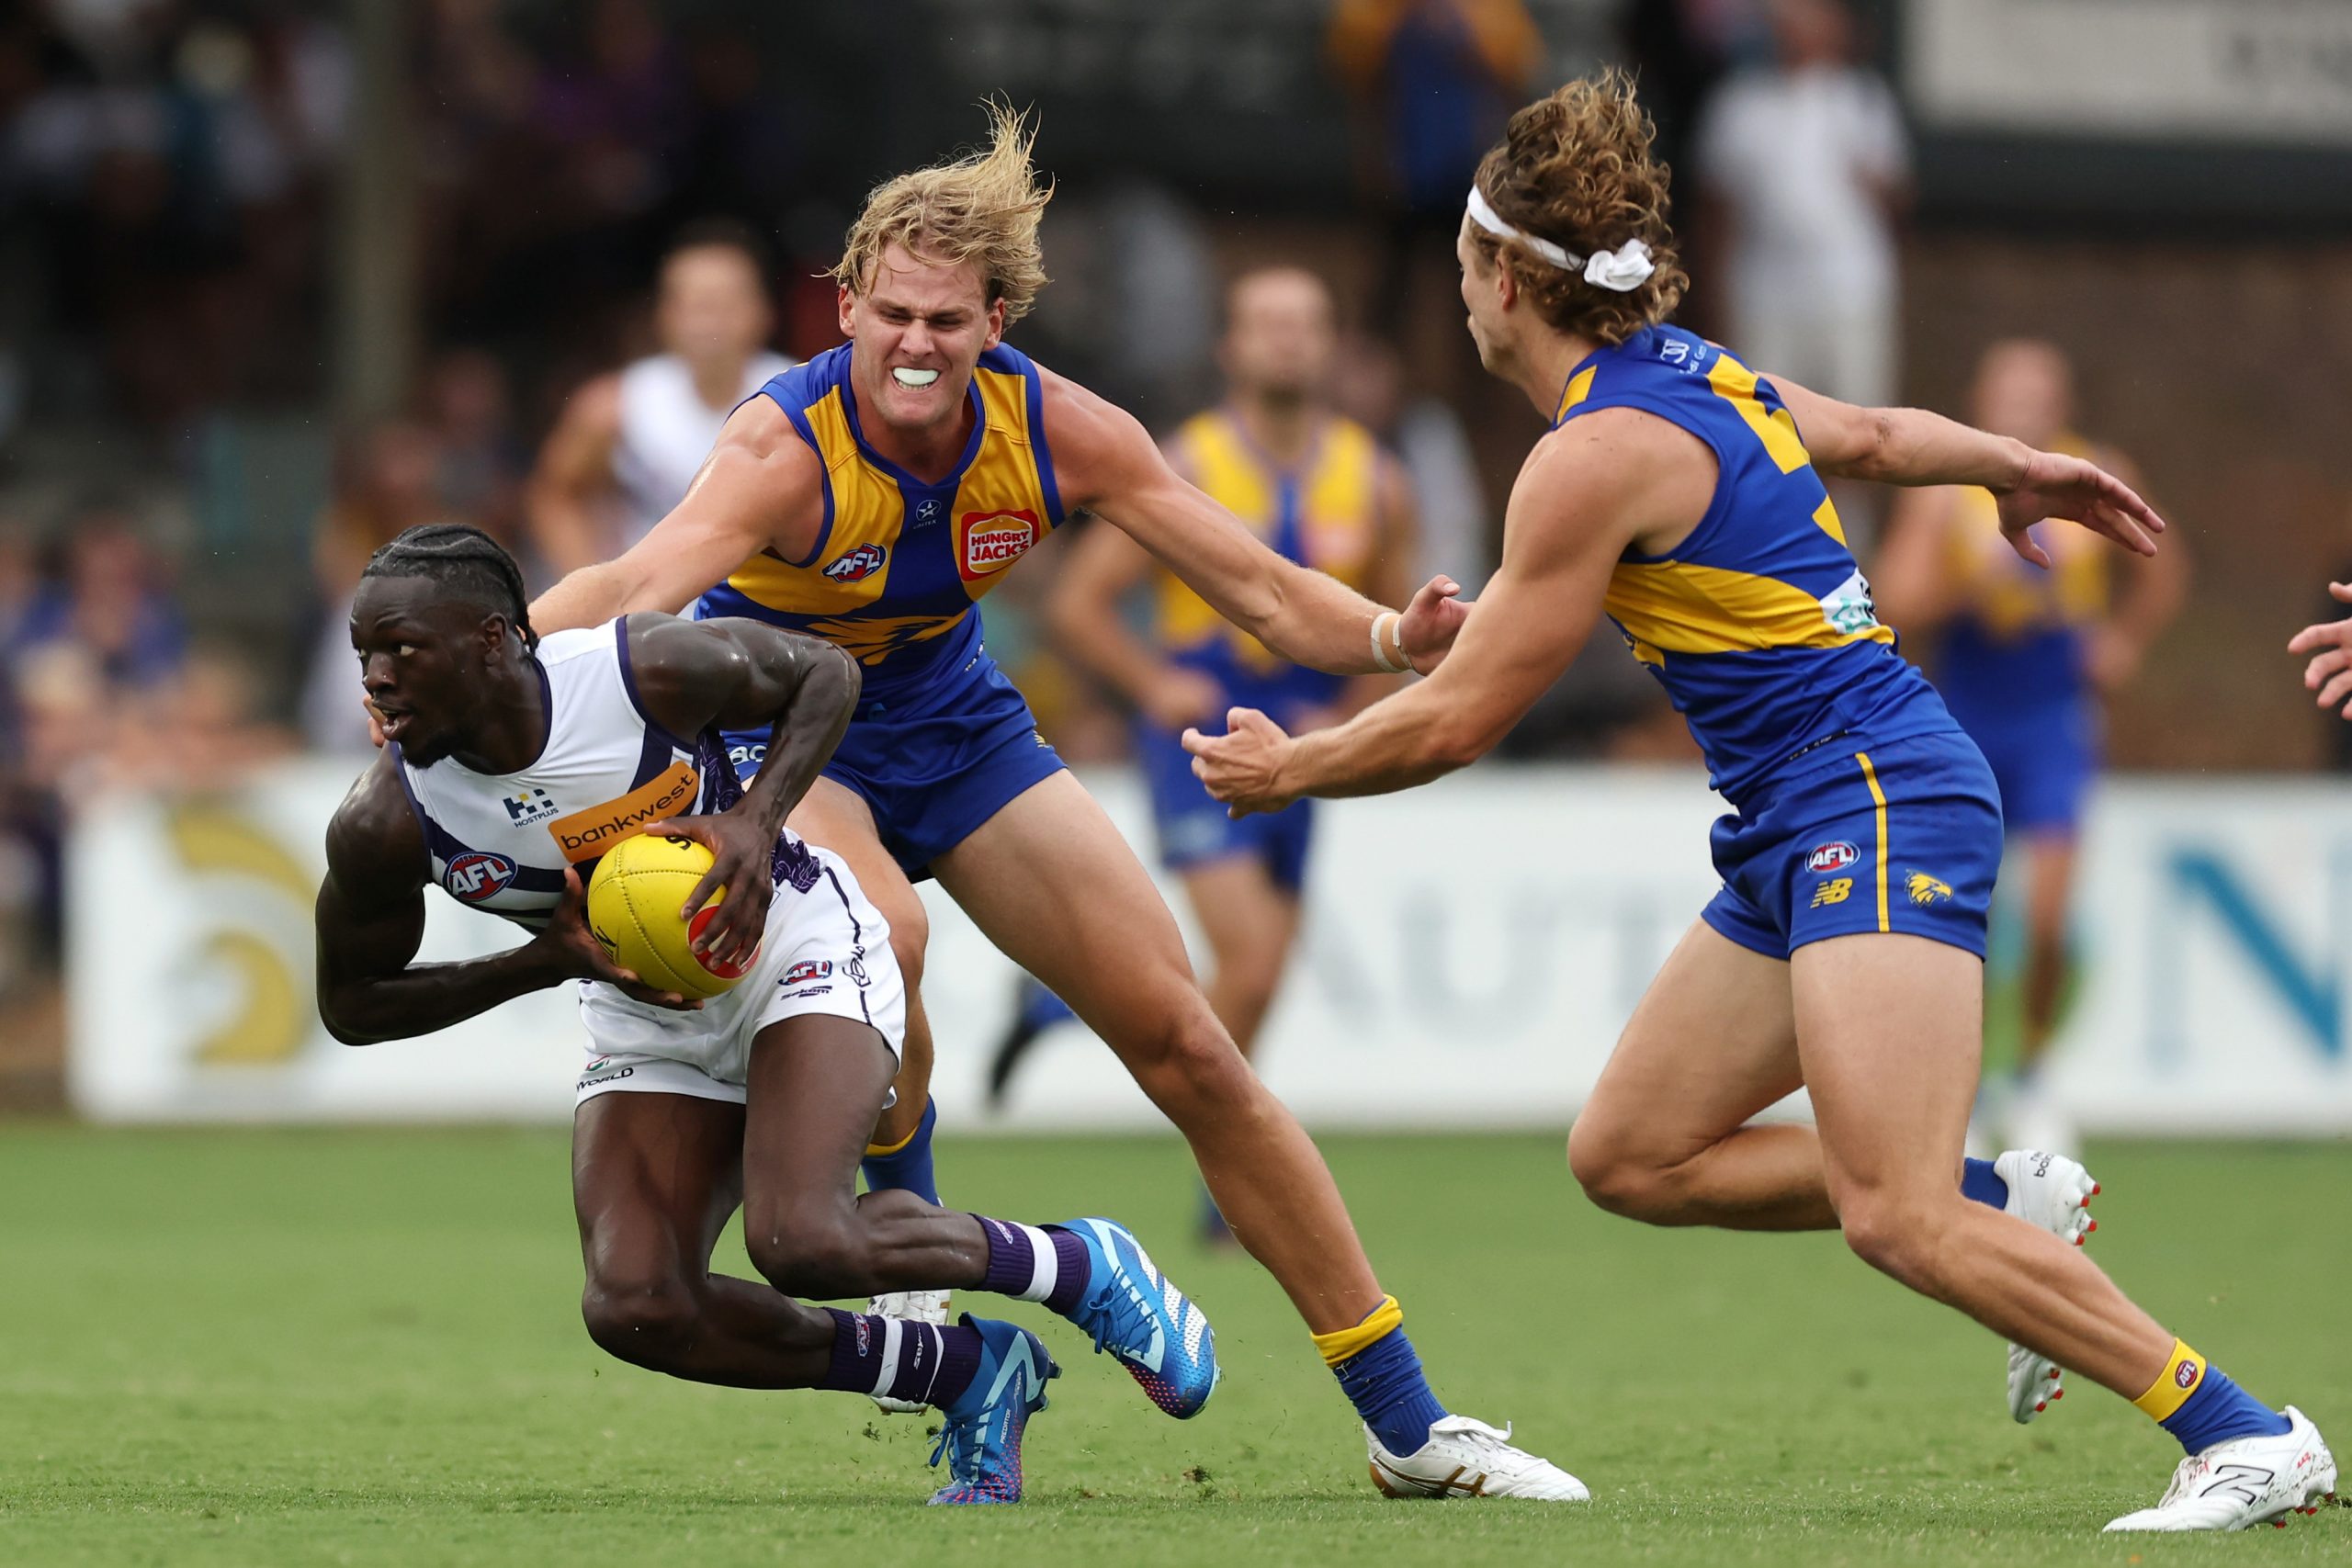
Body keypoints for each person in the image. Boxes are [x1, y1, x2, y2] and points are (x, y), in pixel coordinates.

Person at [1185, 73, 2335, 1533]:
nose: (1461, 296)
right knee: (1634, 1153)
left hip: (1874, 795)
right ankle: (2003, 1192)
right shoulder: (1688, 368)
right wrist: (2011, 463)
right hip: (1805, 815)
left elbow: (1468, 709)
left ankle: (2242, 1429)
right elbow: (1860, 432)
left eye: (1467, 271)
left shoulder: (1587, 458)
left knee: (1894, 1212)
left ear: (1500, 282)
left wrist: (1292, 763)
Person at [526, 104, 1585, 1500]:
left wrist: (1399, 635)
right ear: (844, 304)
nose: (915, 342)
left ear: (1000, 317)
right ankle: (909, 1250)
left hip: (957, 728)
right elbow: (628, 589)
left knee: (1191, 1042)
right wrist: (474, 666)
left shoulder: (1059, 427)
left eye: (949, 320)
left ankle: (1410, 1423)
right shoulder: (781, 448)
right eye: (891, 311)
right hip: (789, 744)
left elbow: (1266, 592)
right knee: (887, 937)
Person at [314, 525, 1219, 1507]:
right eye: (366, 650)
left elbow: (825, 675)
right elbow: (353, 1006)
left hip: (793, 945)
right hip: (650, 1020)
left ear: (494, 640)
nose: (376, 675)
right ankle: (964, 1374)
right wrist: (545, 960)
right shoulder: (387, 821)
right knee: (635, 1304)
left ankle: (1077, 1264)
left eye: (402, 647)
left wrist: (754, 823)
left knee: (804, 1244)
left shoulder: (635, 670)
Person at [1022, 266, 1415, 1244]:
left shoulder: (1376, 479)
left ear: (1331, 347)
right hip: (1199, 728)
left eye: (1304, 324)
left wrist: (1350, 720)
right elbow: (1077, 601)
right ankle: (1227, 1173)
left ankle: (1062, 1011)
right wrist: (1156, 686)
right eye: (1264, 324)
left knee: (1264, 968)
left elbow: (1402, 627)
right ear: (1228, 348)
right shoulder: (1185, 464)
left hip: (1302, 736)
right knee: (1247, 953)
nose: (1284, 341)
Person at [1872, 341, 2188, 1154]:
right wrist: (1967, 578)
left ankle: (2037, 1071)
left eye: (2037, 391)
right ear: (1983, 400)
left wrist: (2122, 642)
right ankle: (1963, 1088)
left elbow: (2164, 565)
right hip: (1969, 715)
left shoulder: (2096, 472)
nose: (2023, 405)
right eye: (2007, 392)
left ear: (2061, 401)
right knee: (1958, 913)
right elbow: (1895, 602)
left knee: (2047, 919)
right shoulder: (1948, 489)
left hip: (2054, 720)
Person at [529, 220, 793, 577]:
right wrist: (590, 581)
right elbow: (553, 494)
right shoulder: (614, 407)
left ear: (764, 311)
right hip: (651, 618)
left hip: (766, 615)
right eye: (696, 305)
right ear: (665, 315)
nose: (710, 322)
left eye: (725, 304)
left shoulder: (804, 399)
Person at [1692, 0, 1909, 412]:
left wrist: (1874, 183)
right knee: (1765, 417)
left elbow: (1899, 202)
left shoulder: (1862, 100)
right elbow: (1715, 215)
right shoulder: (1740, 104)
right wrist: (1713, 300)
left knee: (1859, 414)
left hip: (1851, 291)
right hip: (1764, 294)